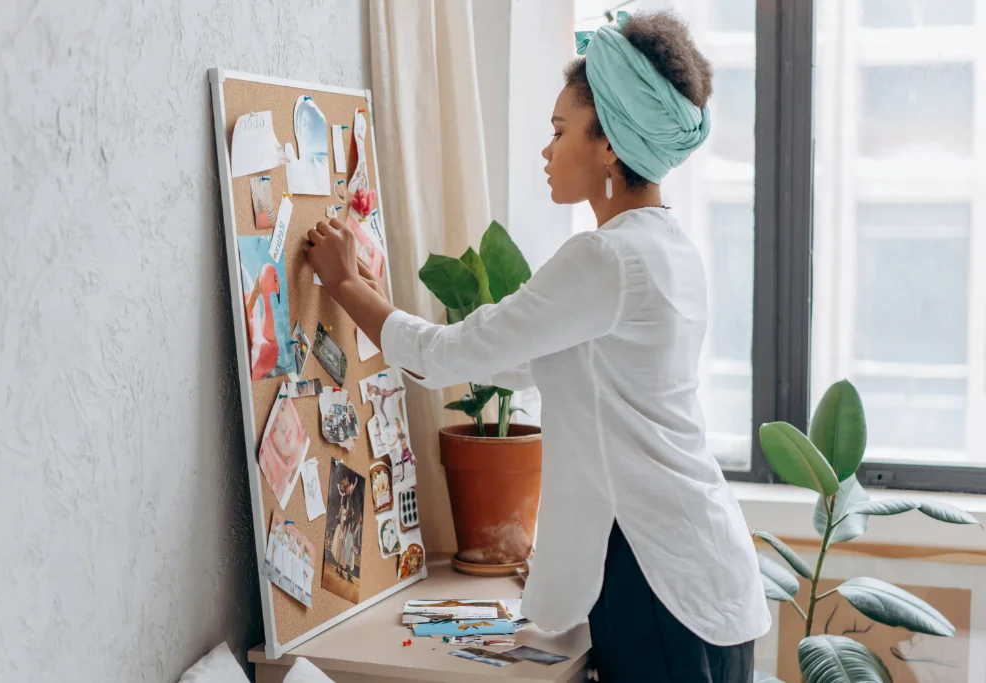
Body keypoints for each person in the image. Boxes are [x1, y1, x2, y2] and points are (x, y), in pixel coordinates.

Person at [304, 10, 769, 681]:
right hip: (704, 572)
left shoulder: (606, 259)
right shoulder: (669, 249)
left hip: (656, 580)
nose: (546, 151)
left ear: (608, 144)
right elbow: (515, 360)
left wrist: (345, 283)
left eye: (559, 130)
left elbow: (444, 357)